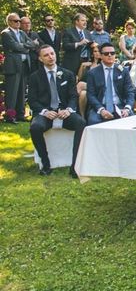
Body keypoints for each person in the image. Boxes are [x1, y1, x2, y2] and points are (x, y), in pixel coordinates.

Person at [28, 45, 86, 178]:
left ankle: (75, 165)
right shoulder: (34, 77)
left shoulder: (68, 74)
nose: (50, 57)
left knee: (81, 123)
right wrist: (44, 111)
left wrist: (69, 110)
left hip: (64, 112)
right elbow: (32, 101)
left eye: (52, 53)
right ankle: (46, 163)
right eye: (46, 55)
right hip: (46, 113)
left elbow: (73, 96)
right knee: (35, 127)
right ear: (40, 59)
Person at [86, 43, 135, 125]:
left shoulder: (123, 71)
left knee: (131, 121)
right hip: (101, 106)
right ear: (101, 56)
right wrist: (101, 110)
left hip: (120, 106)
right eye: (106, 54)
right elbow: (91, 95)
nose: (110, 55)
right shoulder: (92, 73)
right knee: (93, 121)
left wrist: (127, 108)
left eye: (112, 53)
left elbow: (130, 92)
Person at [2, 13, 37, 123]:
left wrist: (24, 46)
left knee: (22, 91)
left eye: (19, 21)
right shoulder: (6, 33)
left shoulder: (21, 33)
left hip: (24, 64)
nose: (18, 23)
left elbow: (33, 44)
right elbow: (14, 46)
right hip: (13, 66)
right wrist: (26, 47)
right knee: (12, 92)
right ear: (9, 22)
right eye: (16, 21)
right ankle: (10, 116)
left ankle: (21, 115)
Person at [77, 42, 102, 117]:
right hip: (86, 88)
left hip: (97, 87)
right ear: (92, 53)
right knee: (83, 94)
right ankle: (82, 116)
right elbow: (80, 77)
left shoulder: (103, 65)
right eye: (95, 51)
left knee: (80, 84)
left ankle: (72, 106)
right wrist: (82, 66)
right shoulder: (88, 64)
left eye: (98, 51)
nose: (97, 53)